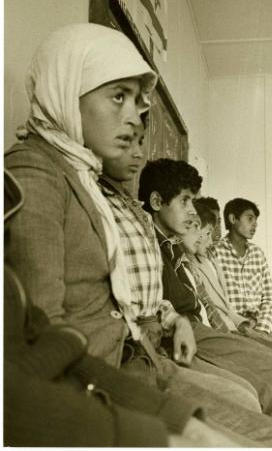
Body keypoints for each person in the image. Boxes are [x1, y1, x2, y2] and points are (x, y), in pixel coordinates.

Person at [3, 23, 265, 446]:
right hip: (102, 386)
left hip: (132, 364)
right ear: (67, 90)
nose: (132, 118)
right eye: (117, 96)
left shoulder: (79, 175)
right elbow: (49, 347)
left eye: (136, 102)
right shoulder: (36, 173)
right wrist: (167, 429)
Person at [4, 168, 253, 448]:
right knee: (249, 406)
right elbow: (21, 387)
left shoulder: (146, 225)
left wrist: (179, 321)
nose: (193, 215)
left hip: (140, 346)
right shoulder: (39, 173)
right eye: (185, 201)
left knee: (249, 398)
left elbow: (157, 299)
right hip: (125, 352)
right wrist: (70, 339)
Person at [138, 158, 272, 444]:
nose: (191, 211)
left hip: (203, 326)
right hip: (185, 331)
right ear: (157, 201)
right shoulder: (146, 238)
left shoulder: (172, 245)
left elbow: (230, 297)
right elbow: (156, 302)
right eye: (185, 201)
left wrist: (251, 323)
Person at [184, 197, 272, 380]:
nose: (255, 225)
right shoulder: (213, 252)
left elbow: (269, 296)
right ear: (233, 219)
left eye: (256, 220)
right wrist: (241, 328)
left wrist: (262, 327)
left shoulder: (257, 253)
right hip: (236, 326)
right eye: (250, 219)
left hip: (256, 324)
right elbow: (215, 303)